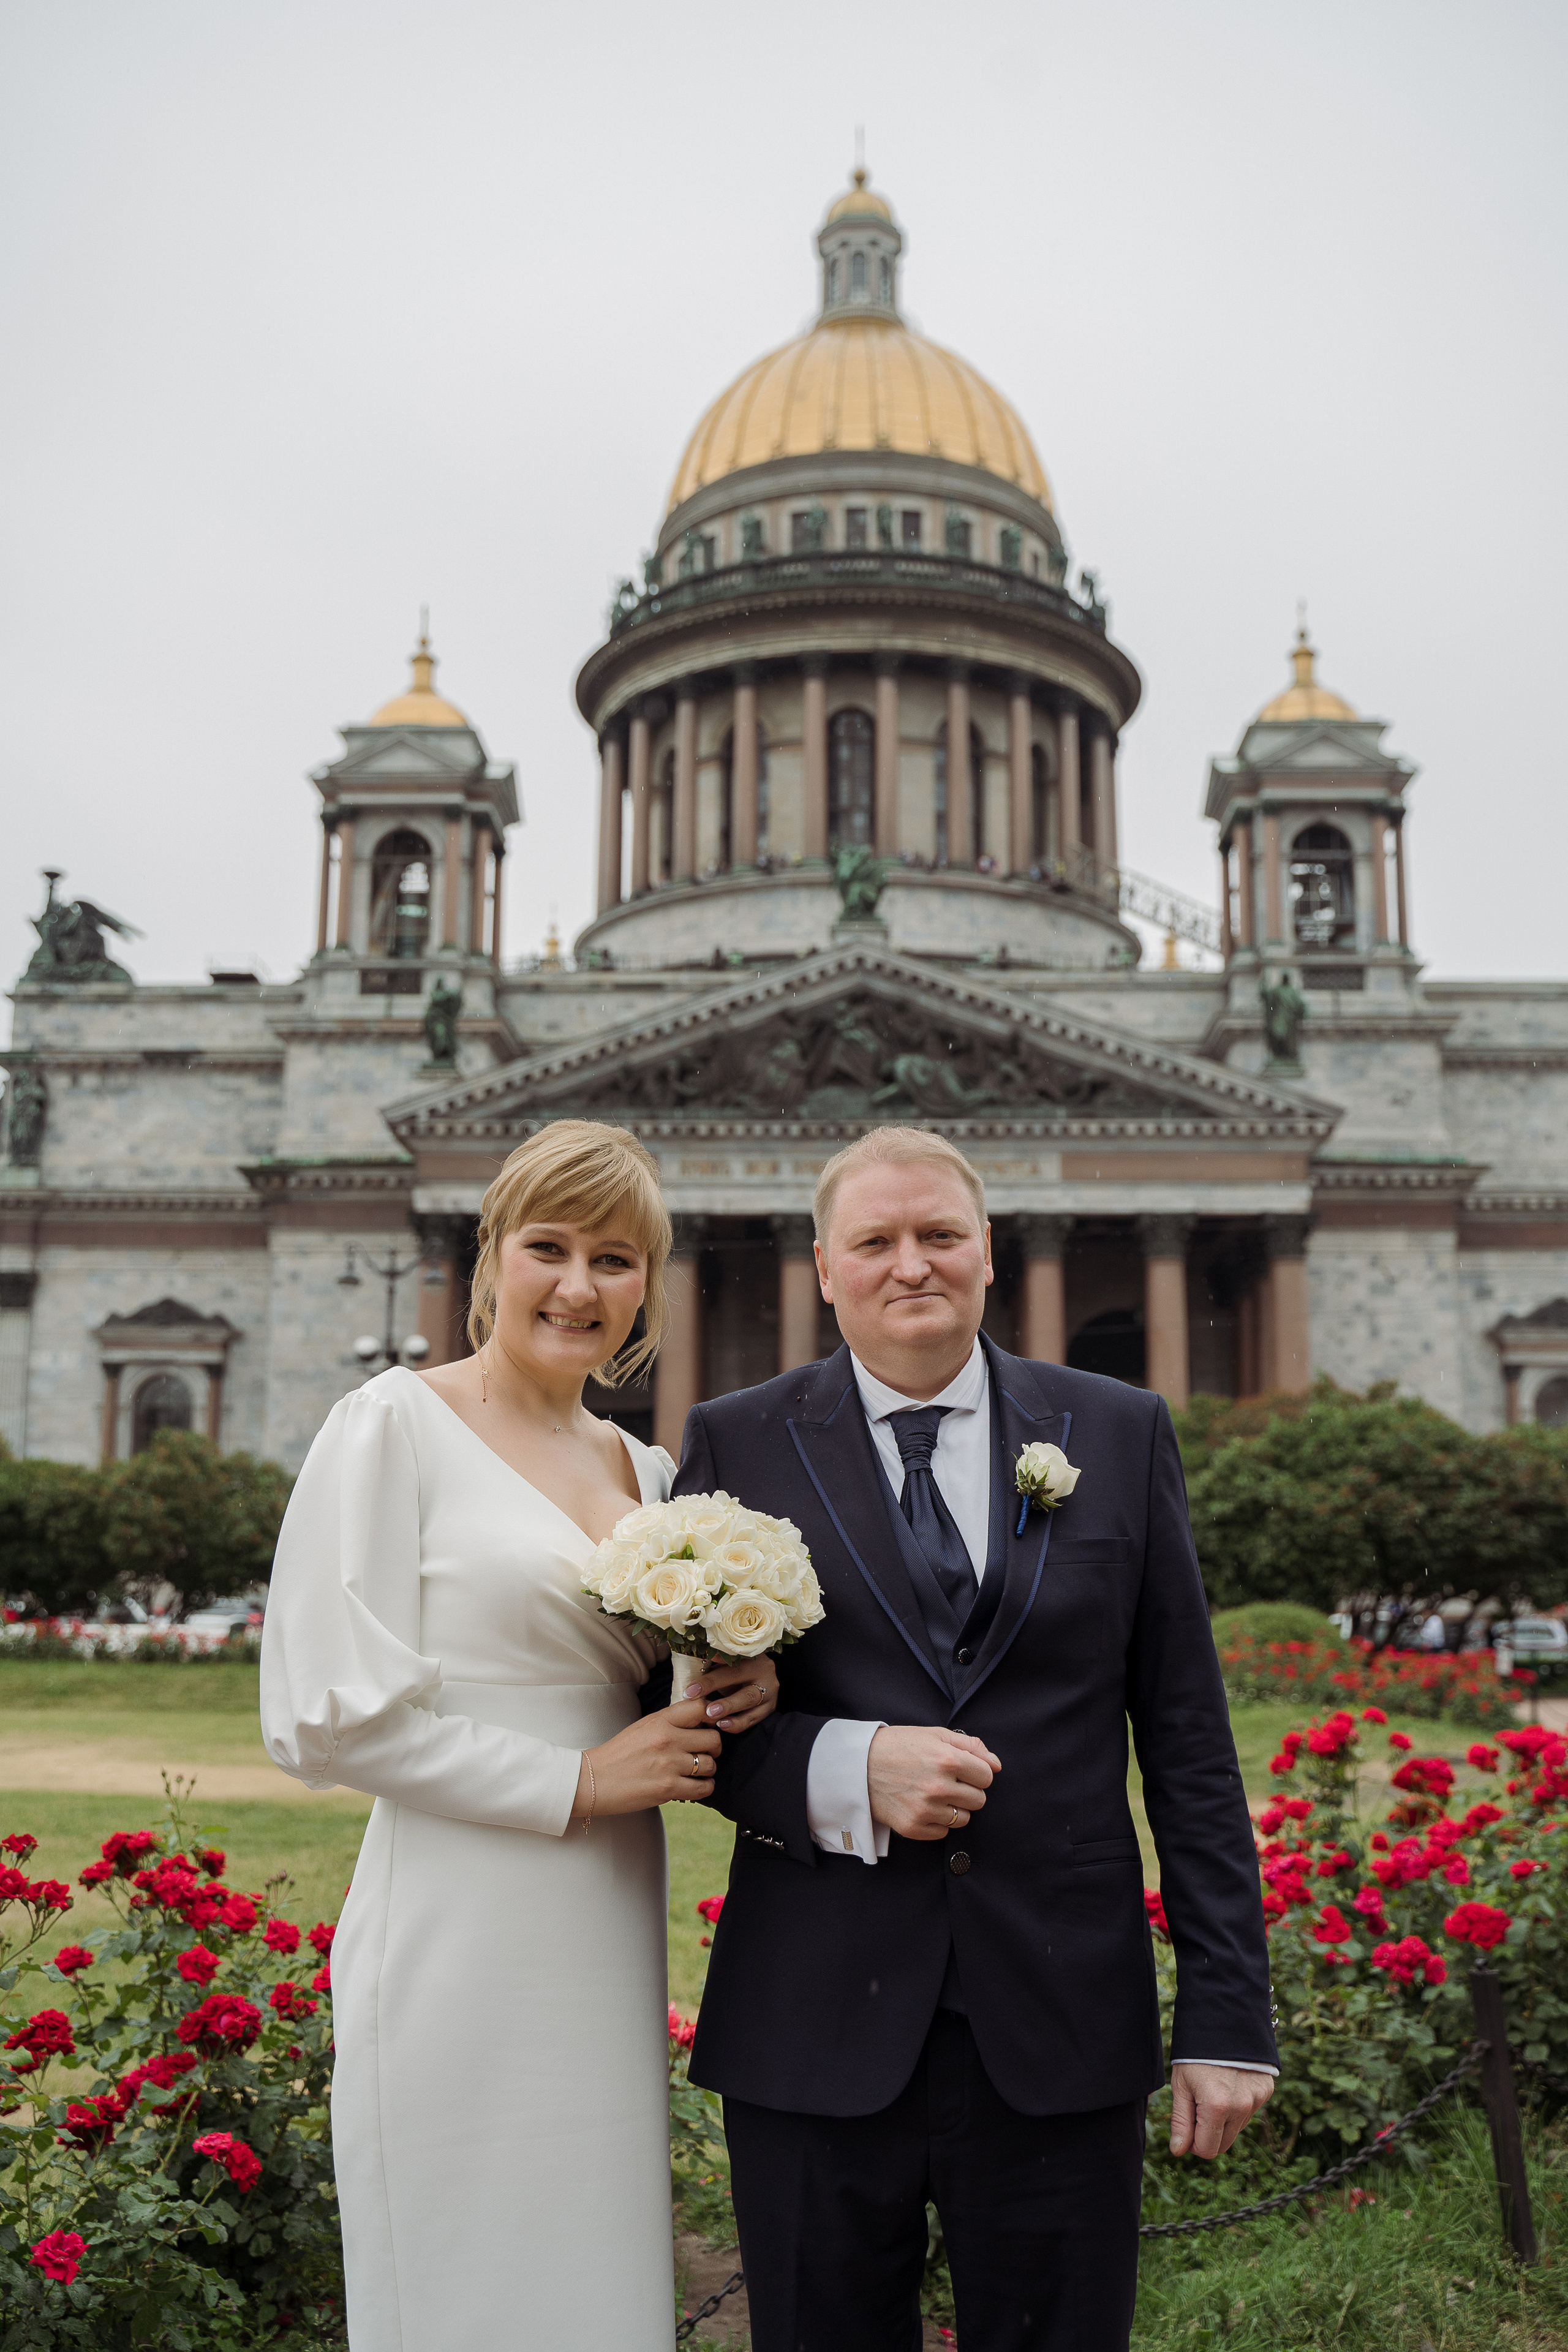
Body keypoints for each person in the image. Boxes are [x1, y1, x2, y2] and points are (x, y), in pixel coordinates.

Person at [674, 1129, 1276, 2352]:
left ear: (987, 1252)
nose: (912, 1265)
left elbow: (1187, 1745)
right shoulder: (736, 1441)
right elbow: (687, 1724)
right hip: (813, 2018)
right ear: (824, 1267)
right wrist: (848, 1766)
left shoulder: (1116, 1429)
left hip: (1061, 2017)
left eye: (939, 1234)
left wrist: (1225, 2016)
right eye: (875, 1241)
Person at [260, 1121, 777, 2351]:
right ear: (491, 1253)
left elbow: (663, 1697)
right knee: (462, 2249)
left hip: (603, 1911)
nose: (578, 1286)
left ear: (646, 1284)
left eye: (615, 1259)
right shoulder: (391, 1422)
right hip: (461, 1902)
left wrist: (739, 1677)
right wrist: (578, 1780)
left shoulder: (650, 1472)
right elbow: (321, 1718)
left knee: (590, 2246)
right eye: (549, 1247)